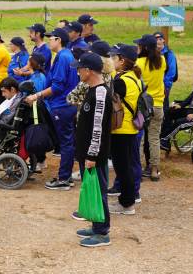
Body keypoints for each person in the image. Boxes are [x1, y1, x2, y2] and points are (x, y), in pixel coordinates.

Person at [26, 28, 78, 190]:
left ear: (59, 40)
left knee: (65, 143)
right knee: (66, 142)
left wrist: (37, 95)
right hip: (65, 105)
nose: (49, 41)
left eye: (51, 38)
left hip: (62, 105)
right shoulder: (65, 55)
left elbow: (57, 86)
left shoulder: (63, 57)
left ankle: (63, 179)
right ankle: (66, 177)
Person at [72, 52, 112, 248]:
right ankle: (97, 226)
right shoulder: (91, 89)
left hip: (94, 154)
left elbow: (99, 127)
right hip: (86, 152)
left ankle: (103, 232)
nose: (78, 72)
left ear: (88, 70)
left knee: (99, 191)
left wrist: (92, 155)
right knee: (93, 190)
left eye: (79, 69)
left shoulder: (101, 93)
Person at [108, 44, 142, 215]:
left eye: (115, 58)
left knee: (123, 169)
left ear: (122, 61)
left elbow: (111, 102)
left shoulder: (121, 81)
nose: (113, 61)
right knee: (126, 167)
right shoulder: (134, 77)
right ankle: (127, 200)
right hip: (130, 129)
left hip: (121, 129)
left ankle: (127, 204)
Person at [134, 34, 166, 181]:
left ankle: (138, 169)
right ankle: (154, 170)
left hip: (143, 105)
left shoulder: (138, 63)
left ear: (144, 47)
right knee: (154, 138)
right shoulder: (162, 61)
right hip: (158, 104)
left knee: (139, 139)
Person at [160, 63, 193, 151]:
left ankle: (164, 139)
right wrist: (180, 105)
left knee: (179, 122)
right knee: (169, 111)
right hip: (192, 111)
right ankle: (164, 140)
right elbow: (191, 97)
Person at [154, 31, 177, 111]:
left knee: (163, 106)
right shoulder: (152, 53)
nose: (158, 41)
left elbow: (172, 71)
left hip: (164, 85)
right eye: (156, 39)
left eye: (160, 39)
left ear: (163, 40)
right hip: (154, 84)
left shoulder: (169, 54)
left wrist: (166, 86)